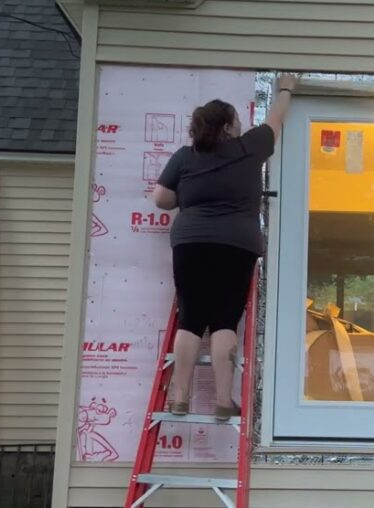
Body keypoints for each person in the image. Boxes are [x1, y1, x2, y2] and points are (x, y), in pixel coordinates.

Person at [149, 74, 298, 420]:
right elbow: (276, 120)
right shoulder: (250, 147)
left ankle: (180, 397)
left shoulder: (186, 156)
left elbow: (161, 199)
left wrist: (189, 194)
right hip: (236, 244)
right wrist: (287, 89)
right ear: (230, 125)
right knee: (224, 321)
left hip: (191, 243)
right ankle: (221, 400)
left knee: (190, 319)